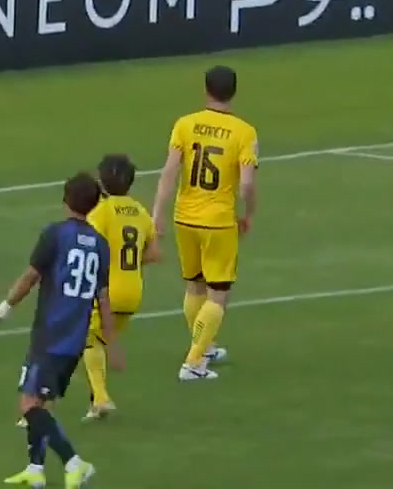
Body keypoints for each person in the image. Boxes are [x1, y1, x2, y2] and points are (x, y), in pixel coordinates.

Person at [0, 172, 120, 488]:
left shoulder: (55, 234)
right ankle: (35, 469)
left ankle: (74, 463)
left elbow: (29, 278)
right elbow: (103, 297)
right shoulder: (100, 245)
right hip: (75, 339)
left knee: (29, 406)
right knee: (40, 403)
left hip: (51, 334)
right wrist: (111, 343)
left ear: (65, 199)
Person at [151, 66, 259, 381]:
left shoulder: (185, 124)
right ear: (234, 92)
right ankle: (194, 362)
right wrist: (248, 213)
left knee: (194, 285)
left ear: (205, 90)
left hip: (185, 217)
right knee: (218, 293)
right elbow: (247, 185)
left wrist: (157, 214)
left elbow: (169, 173)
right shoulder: (244, 132)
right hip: (218, 222)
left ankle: (205, 345)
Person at [80, 154, 159, 420]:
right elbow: (154, 253)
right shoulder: (141, 212)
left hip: (107, 289)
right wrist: (130, 260)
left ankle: (101, 398)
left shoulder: (101, 212)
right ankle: (96, 402)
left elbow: (90, 246)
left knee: (87, 339)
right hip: (133, 291)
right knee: (100, 340)